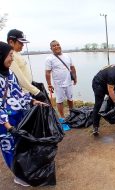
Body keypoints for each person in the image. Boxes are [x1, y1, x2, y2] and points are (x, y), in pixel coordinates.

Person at [0, 42, 47, 187]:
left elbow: (18, 93)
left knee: (22, 145)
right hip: (4, 122)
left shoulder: (10, 74)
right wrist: (7, 126)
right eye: (9, 55)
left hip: (19, 116)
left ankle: (26, 170)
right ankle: (18, 175)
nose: (12, 59)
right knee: (10, 149)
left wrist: (33, 101)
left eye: (12, 55)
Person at [7, 29, 46, 101]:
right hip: (22, 93)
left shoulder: (17, 53)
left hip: (28, 90)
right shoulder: (10, 56)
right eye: (20, 43)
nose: (23, 45)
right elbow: (18, 77)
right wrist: (36, 92)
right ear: (11, 42)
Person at [45, 40, 77, 118]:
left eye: (57, 45)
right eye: (54, 46)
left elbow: (72, 68)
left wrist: (75, 78)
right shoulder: (49, 59)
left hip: (69, 82)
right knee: (59, 101)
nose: (56, 47)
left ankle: (72, 114)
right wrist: (49, 84)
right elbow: (47, 73)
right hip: (58, 84)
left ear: (60, 45)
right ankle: (62, 117)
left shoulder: (67, 56)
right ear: (51, 48)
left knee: (70, 99)